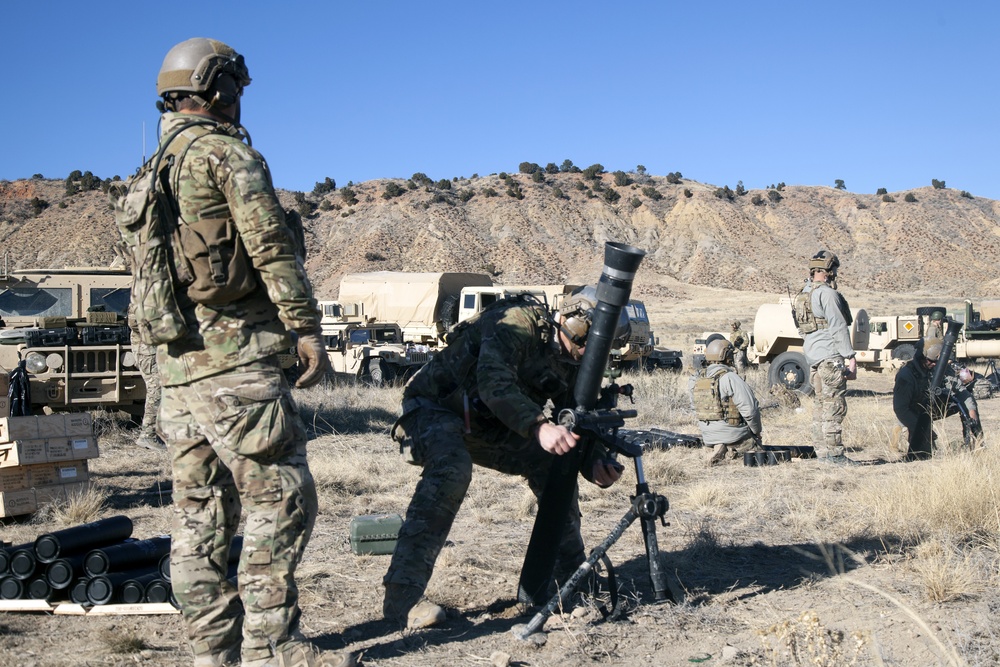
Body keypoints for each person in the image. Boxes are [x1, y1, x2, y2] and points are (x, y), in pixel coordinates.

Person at [136, 38, 346, 667]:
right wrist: (305, 328)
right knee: (280, 496)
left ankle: (212, 652)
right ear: (218, 87)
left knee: (200, 515)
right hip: (237, 363)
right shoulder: (227, 155)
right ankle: (273, 650)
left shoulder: (152, 171)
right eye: (236, 88)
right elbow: (270, 247)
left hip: (177, 372)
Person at [382, 290, 626, 629]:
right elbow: (493, 382)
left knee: (554, 464)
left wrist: (594, 461)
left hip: (492, 424)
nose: (593, 354)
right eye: (592, 343)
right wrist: (539, 427)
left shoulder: (574, 362)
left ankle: (568, 580)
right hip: (435, 407)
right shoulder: (518, 321)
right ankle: (402, 598)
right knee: (452, 469)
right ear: (573, 324)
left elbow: (576, 417)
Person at [798, 250, 857, 464]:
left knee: (820, 405)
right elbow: (838, 327)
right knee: (834, 406)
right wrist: (850, 357)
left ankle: (822, 452)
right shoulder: (827, 294)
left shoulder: (803, 294)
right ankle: (835, 455)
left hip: (813, 356)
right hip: (830, 356)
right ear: (829, 271)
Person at [893, 339, 981, 460]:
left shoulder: (942, 369)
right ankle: (899, 437)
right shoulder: (906, 375)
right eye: (931, 361)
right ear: (921, 356)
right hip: (913, 413)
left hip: (934, 407)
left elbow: (963, 394)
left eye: (937, 361)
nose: (935, 364)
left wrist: (972, 414)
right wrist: (924, 431)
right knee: (923, 456)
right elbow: (901, 408)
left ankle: (975, 443)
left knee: (966, 404)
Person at [688, 338, 763, 465]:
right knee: (756, 448)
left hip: (708, 438)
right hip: (735, 436)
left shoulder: (694, 379)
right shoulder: (730, 377)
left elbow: (695, 409)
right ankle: (730, 449)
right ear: (727, 356)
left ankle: (717, 447)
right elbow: (750, 410)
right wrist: (756, 432)